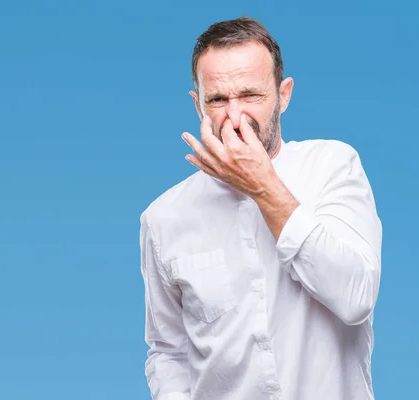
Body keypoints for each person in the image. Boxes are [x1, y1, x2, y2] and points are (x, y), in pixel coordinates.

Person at [139, 17, 382, 400]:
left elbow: (356, 298)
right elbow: (168, 352)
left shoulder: (333, 166)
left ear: (283, 95)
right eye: (217, 100)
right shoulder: (163, 218)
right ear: (196, 103)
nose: (235, 117)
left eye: (251, 95)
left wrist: (263, 186)